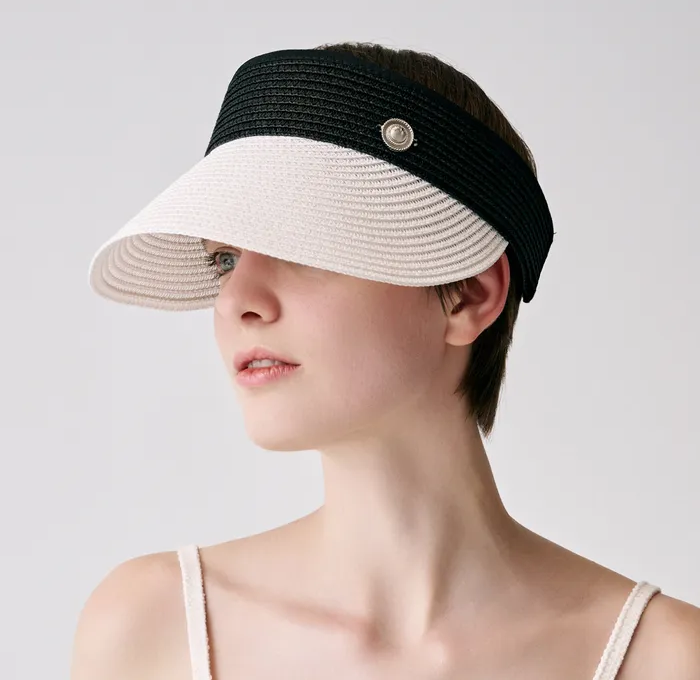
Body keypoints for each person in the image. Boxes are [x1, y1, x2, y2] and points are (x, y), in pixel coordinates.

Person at [71, 42, 700, 680]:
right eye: (224, 260)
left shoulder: (665, 659)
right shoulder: (155, 629)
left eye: (299, 246)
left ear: (468, 294)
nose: (236, 301)